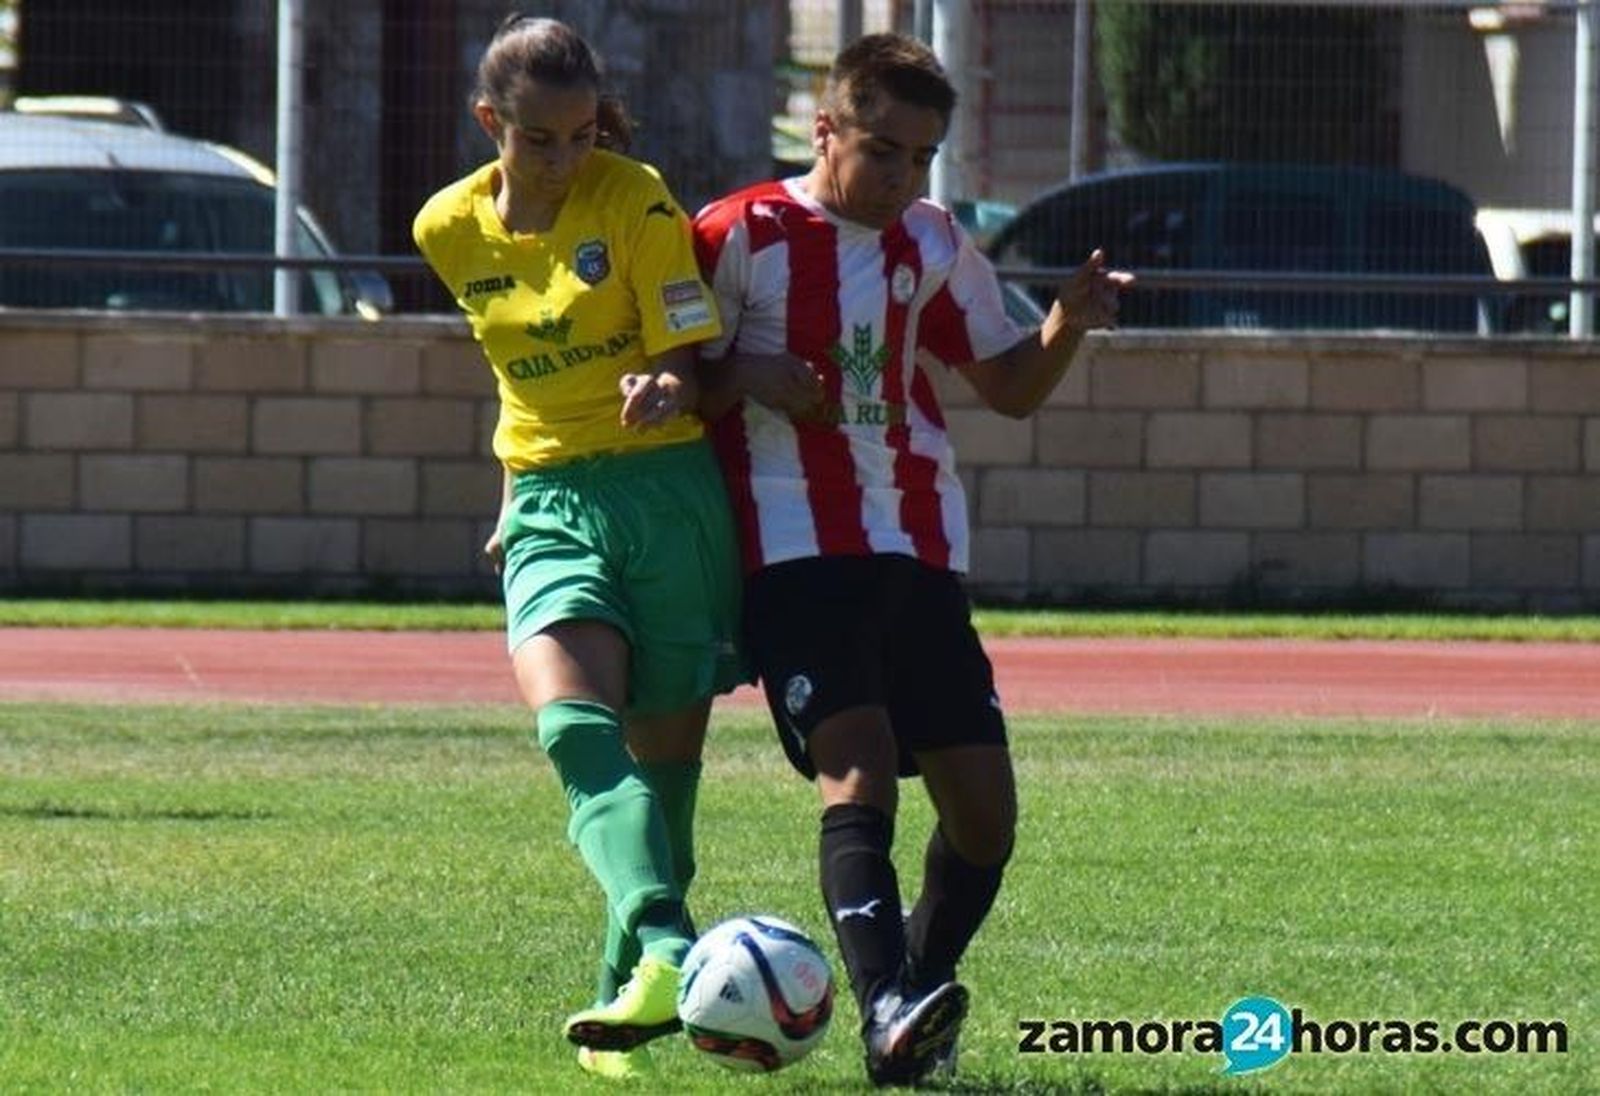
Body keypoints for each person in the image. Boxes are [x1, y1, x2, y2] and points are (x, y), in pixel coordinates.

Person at [691, 32, 1131, 1087]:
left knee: (985, 817)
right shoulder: (737, 232)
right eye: (883, 150)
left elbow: (1009, 387)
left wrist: (1067, 322)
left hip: (919, 548)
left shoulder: (930, 239)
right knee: (860, 760)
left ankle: (914, 1002)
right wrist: (745, 374)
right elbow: (670, 384)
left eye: (923, 156)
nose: (903, 177)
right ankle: (886, 998)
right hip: (793, 549)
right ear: (825, 129)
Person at [412, 14, 741, 1082]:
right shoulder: (446, 228)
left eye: (582, 135)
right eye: (538, 139)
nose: (563, 159)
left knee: (664, 778)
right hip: (551, 498)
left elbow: (688, 358)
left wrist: (665, 384)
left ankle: (620, 1016)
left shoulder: (635, 199)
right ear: (489, 123)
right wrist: (511, 494)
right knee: (572, 725)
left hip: (664, 493)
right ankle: (671, 944)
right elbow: (511, 376)